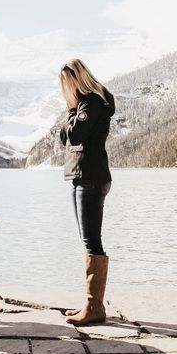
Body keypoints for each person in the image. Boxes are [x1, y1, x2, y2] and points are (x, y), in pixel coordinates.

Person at [58, 59, 115, 326]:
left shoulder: (90, 103)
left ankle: (94, 307)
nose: (64, 90)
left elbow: (75, 135)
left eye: (65, 84)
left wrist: (71, 111)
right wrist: (72, 113)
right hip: (85, 177)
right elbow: (65, 137)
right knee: (88, 240)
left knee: (92, 241)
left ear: (74, 80)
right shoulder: (87, 104)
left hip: (89, 177)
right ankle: (91, 303)